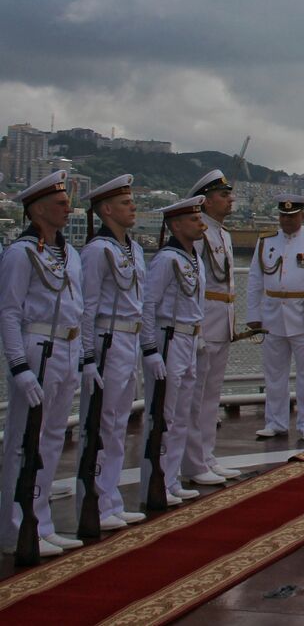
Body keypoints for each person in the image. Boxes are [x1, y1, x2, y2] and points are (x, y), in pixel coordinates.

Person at [0, 171, 84, 558]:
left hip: (66, 348)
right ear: (37, 210)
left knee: (51, 439)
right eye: (60, 203)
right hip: (37, 347)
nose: (68, 209)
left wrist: (83, 358)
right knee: (22, 442)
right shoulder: (21, 254)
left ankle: (41, 522)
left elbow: (77, 310)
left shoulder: (68, 254)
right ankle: (14, 528)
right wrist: (18, 366)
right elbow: (9, 312)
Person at [77, 174, 149, 531]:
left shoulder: (132, 249)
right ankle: (94, 503)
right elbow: (87, 307)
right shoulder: (96, 251)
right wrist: (87, 357)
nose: (133, 207)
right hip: (106, 341)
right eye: (125, 203)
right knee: (101, 424)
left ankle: (111, 499)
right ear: (106, 209)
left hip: (128, 342)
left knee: (119, 424)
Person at [246, 194, 304, 442]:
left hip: (303, 313)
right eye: (283, 216)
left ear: (302, 215)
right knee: (274, 373)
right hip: (272, 313)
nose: (287, 220)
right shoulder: (266, 241)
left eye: (292, 216)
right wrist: (253, 314)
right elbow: (255, 279)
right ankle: (275, 422)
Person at [139, 196, 207, 506]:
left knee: (181, 414)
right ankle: (154, 482)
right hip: (169, 338)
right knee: (163, 414)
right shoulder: (166, 259)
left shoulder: (192, 257)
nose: (200, 223)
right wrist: (150, 348)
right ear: (176, 225)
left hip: (189, 340)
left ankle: (170, 478)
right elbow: (149, 304)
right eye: (193, 219)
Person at [182, 170, 243, 485]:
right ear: (205, 201)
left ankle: (206, 455)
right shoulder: (200, 234)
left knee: (211, 395)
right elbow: (193, 286)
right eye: (223, 195)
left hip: (222, 321)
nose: (230, 199)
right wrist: (197, 329)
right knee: (196, 396)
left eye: (229, 194)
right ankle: (193, 462)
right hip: (205, 322)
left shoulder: (223, 234)